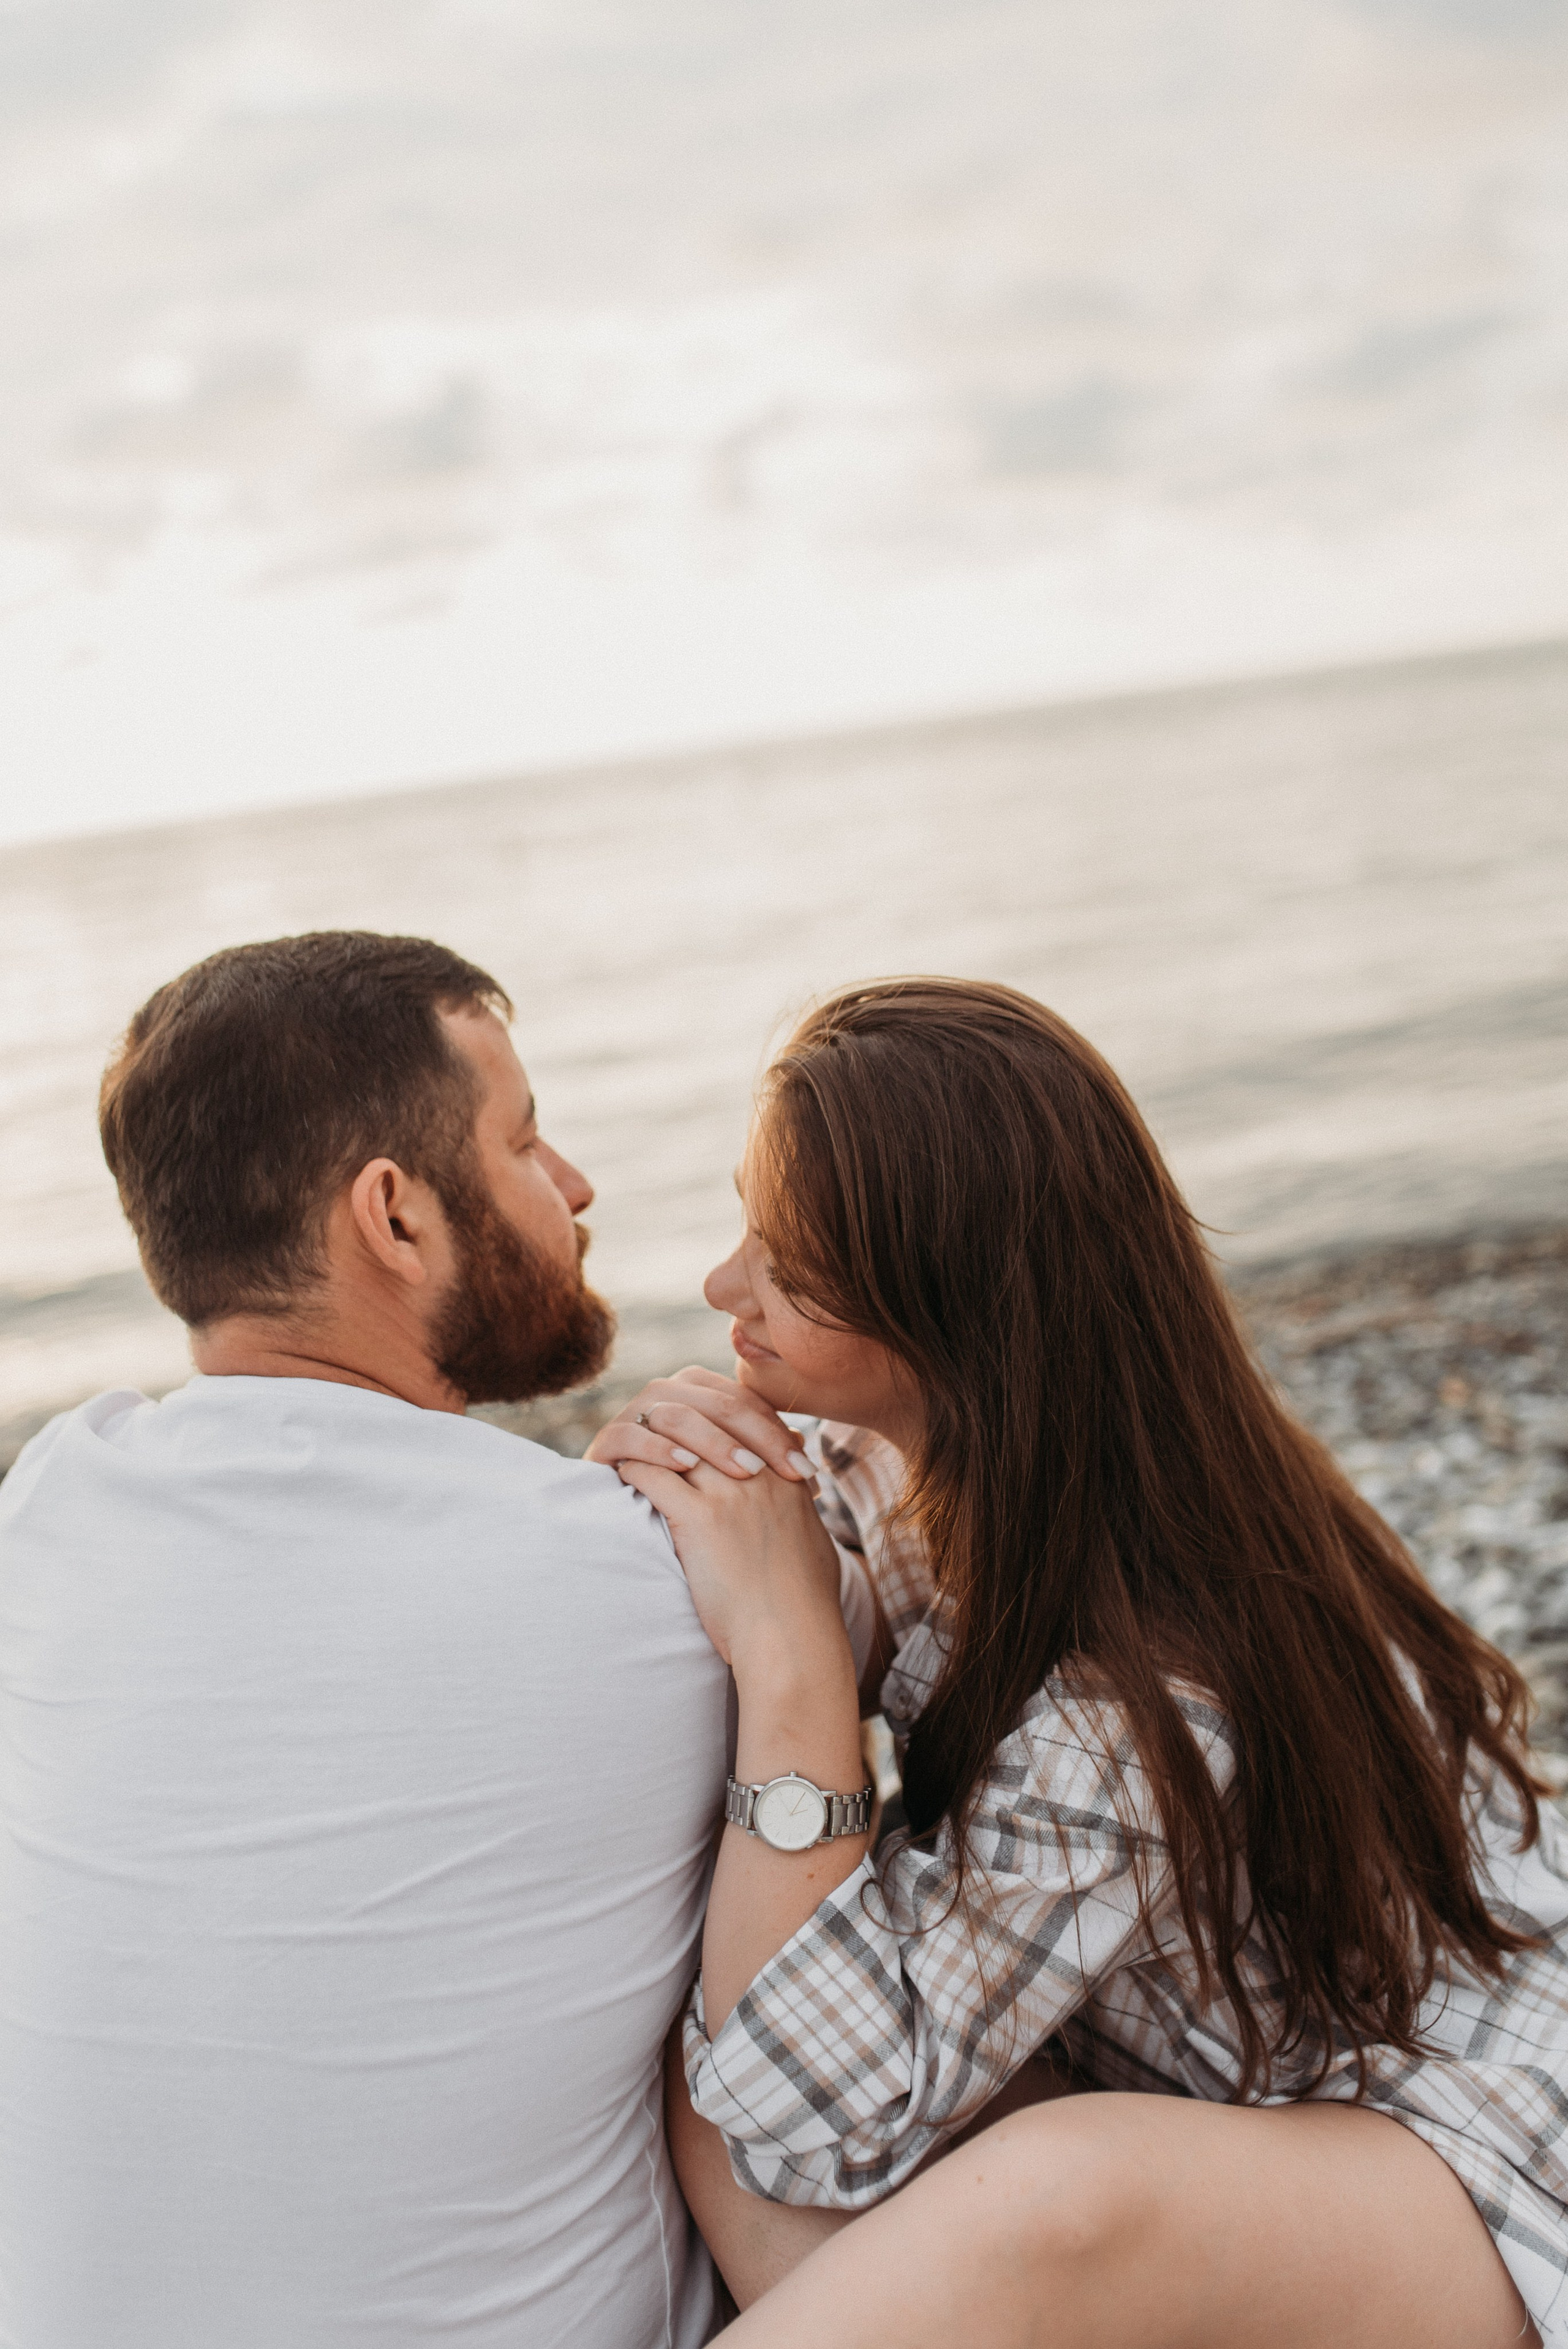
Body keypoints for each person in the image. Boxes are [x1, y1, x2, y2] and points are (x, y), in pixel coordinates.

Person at [589, 975, 1568, 2349]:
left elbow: (797, 2124)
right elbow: (792, 1528)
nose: (719, 1290)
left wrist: (794, 1658)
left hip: (1465, 2144)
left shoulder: (1139, 1685)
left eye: (788, 1270)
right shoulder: (939, 1464)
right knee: (720, 2075)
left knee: (995, 2183)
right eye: (747, 1227)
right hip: (1246, 2094)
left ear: (949, 1324)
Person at [0, 929, 856, 2349]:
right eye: (524, 1144)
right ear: (392, 1218)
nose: (575, 1185)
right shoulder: (641, 1583)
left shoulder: (45, 1513)